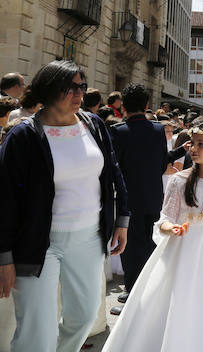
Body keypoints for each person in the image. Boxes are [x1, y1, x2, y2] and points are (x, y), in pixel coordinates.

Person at [0, 60, 129, 352]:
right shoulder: (24, 136)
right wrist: (4, 256)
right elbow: (5, 198)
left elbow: (113, 172)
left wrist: (122, 218)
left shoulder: (93, 124)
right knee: (36, 332)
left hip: (88, 238)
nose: (79, 94)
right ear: (48, 90)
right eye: (69, 88)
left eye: (81, 86)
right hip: (36, 244)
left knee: (83, 318)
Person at [101, 119, 203, 352]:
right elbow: (165, 219)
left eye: (202, 144)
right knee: (177, 299)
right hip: (184, 247)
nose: (194, 149)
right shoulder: (179, 180)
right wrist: (171, 228)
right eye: (193, 143)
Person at [109, 84, 168, 306]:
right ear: (146, 105)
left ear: (123, 105)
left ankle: (133, 289)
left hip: (128, 199)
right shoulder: (158, 130)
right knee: (148, 240)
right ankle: (149, 284)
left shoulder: (118, 131)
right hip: (153, 195)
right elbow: (163, 163)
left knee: (130, 246)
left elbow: (114, 168)